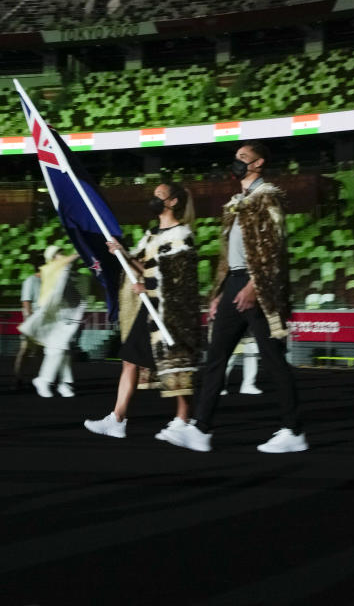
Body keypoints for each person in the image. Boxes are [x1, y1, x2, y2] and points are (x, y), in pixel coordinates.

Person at [165, 141, 307, 453]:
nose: (237, 162)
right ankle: (201, 429)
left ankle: (293, 430)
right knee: (216, 357)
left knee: (272, 359)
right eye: (236, 157)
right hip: (234, 282)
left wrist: (254, 286)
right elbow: (228, 255)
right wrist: (220, 292)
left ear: (258, 164)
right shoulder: (237, 201)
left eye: (244, 158)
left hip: (257, 286)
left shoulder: (267, 197)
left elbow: (273, 247)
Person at [83, 182, 201, 439]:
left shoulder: (182, 235)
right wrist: (122, 253)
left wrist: (146, 285)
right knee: (129, 360)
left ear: (173, 202)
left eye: (160, 196)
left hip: (169, 311)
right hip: (148, 307)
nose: (154, 199)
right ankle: (117, 418)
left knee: (175, 364)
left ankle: (183, 417)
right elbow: (143, 267)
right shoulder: (150, 235)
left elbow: (177, 277)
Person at [18, 245, 84, 398]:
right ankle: (45, 380)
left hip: (63, 316)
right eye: (58, 254)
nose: (61, 255)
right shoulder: (51, 269)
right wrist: (83, 249)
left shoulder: (62, 270)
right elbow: (71, 260)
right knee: (58, 348)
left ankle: (64, 383)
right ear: (51, 259)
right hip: (50, 316)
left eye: (61, 253)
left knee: (63, 349)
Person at [13, 258, 42, 391]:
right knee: (25, 350)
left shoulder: (47, 282)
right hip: (33, 322)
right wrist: (31, 321)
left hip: (44, 322)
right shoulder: (31, 281)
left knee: (40, 353)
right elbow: (26, 302)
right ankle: (19, 378)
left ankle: (37, 379)